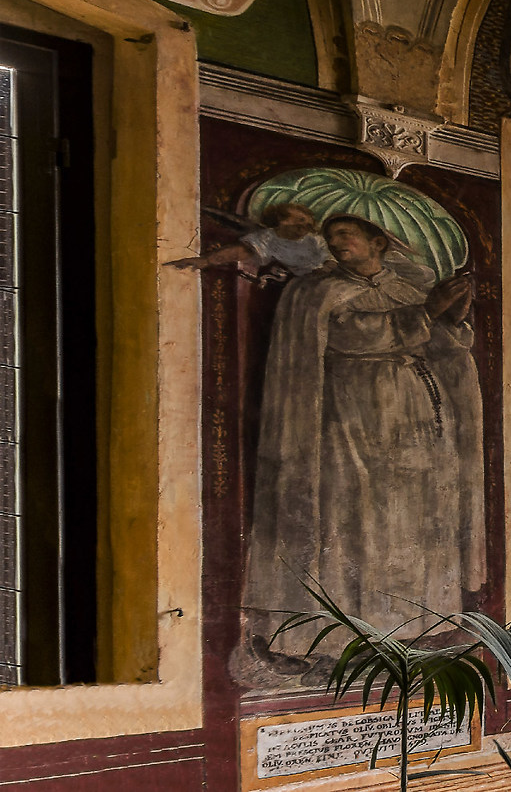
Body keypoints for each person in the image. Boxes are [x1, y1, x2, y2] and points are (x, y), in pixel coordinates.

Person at [244, 216, 482, 663]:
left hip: (414, 422)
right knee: (353, 519)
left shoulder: (407, 291)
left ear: (378, 243)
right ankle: (338, 638)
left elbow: (442, 349)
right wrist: (427, 313)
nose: (335, 243)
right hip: (350, 421)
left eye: (345, 235)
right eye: (330, 237)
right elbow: (348, 335)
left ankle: (407, 628)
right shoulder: (315, 290)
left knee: (410, 522)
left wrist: (451, 319)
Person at [172, 202, 330, 279]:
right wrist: (206, 261)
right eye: (300, 220)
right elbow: (239, 252)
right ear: (282, 220)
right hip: (298, 285)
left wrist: (328, 268)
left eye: (308, 223)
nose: (306, 226)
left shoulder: (315, 240)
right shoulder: (267, 238)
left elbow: (331, 259)